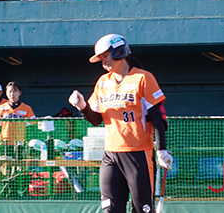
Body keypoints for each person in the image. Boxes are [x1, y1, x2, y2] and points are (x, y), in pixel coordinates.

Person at [68, 34, 170, 213]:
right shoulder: (103, 82)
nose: (103, 61)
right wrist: (81, 105)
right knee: (110, 209)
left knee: (142, 209)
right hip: (111, 155)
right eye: (100, 58)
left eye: (105, 56)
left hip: (139, 154)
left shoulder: (143, 78)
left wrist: (161, 150)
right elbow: (96, 119)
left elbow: (158, 116)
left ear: (119, 51)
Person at [0, 81, 36, 146]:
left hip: (20, 143)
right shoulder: (0, 108)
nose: (12, 94)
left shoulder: (27, 108)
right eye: (9, 92)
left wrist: (27, 142)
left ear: (20, 93)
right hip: (4, 143)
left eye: (14, 91)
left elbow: (30, 128)